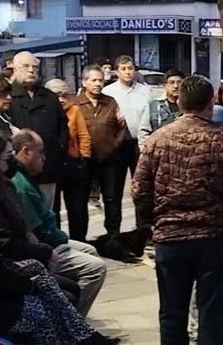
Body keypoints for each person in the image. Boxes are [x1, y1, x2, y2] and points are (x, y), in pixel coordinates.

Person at [0, 133, 121, 345]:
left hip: (7, 270)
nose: (12, 162)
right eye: (6, 157)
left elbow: (21, 231)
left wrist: (40, 251)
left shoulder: (2, 187)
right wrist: (39, 259)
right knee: (43, 305)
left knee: (53, 282)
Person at [134, 75, 223, 345]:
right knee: (211, 309)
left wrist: (153, 222)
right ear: (210, 102)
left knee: (172, 310)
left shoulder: (157, 140)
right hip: (215, 237)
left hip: (170, 237)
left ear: (179, 101)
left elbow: (139, 190)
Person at [10, 129, 107, 324]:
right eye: (40, 152)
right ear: (26, 152)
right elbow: (36, 232)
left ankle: (73, 317)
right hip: (42, 247)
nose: (44, 158)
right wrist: (57, 241)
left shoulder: (26, 178)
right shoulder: (21, 185)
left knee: (90, 250)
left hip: (49, 239)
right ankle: (71, 324)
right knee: (95, 268)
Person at [76, 64, 138, 262]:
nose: (97, 84)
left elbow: (122, 127)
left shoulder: (111, 102)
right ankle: (80, 241)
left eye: (100, 80)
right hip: (84, 161)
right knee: (80, 201)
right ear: (84, 82)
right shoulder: (75, 104)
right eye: (93, 80)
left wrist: (113, 147)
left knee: (112, 199)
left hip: (110, 161)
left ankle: (113, 238)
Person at [104, 55, 152, 254]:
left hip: (138, 144)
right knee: (113, 191)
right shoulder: (108, 92)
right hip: (117, 144)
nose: (127, 72)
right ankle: (113, 233)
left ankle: (143, 232)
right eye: (123, 69)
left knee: (141, 189)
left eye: (130, 68)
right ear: (116, 71)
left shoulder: (145, 91)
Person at [9, 52, 68, 205]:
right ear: (15, 69)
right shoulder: (8, 97)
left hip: (48, 166)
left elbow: (63, 127)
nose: (31, 70)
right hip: (19, 170)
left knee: (50, 212)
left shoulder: (49, 97)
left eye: (35, 67)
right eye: (26, 66)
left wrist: (59, 150)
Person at [46, 78, 93, 240]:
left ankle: (79, 239)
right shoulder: (46, 111)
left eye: (64, 95)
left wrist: (85, 158)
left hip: (73, 162)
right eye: (56, 95)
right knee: (53, 208)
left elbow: (83, 135)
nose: (61, 99)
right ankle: (57, 240)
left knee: (77, 207)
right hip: (52, 163)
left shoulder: (74, 110)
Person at [145, 69, 184, 136]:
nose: (176, 86)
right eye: (172, 82)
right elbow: (144, 132)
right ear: (165, 85)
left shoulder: (190, 107)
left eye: (179, 82)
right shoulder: (154, 106)